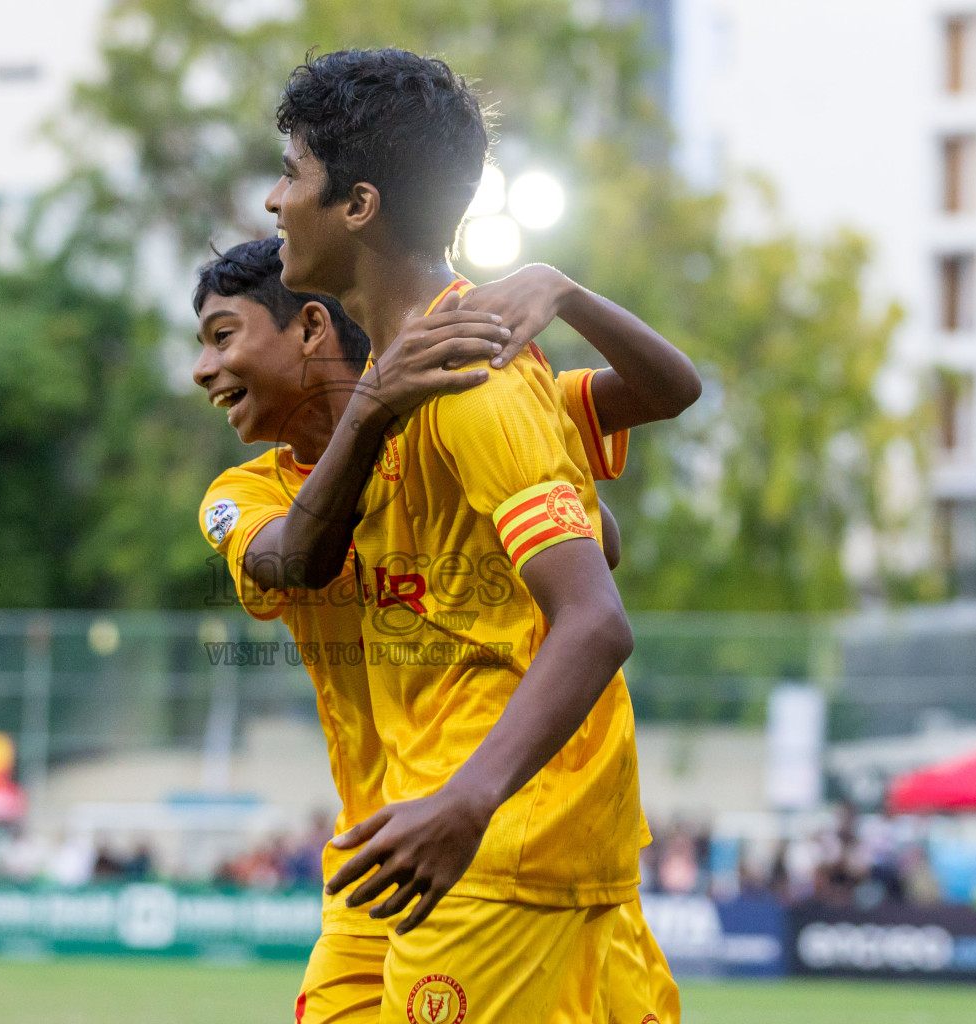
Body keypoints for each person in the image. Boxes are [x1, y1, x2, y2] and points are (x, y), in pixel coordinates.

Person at [259, 48, 703, 1022]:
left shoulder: (476, 378)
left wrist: (467, 803)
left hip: (490, 846)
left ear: (359, 204)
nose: (272, 200)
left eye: (292, 173)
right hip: (418, 833)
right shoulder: (400, 386)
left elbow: (594, 620)